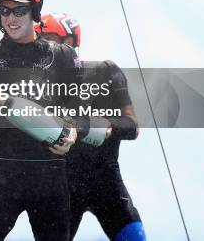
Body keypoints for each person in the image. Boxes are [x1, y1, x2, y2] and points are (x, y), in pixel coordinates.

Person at [0, 0, 81, 241]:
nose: (11, 18)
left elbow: (78, 110)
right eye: (4, 10)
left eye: (20, 10)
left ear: (35, 10)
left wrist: (73, 131)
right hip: (4, 177)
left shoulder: (62, 55)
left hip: (51, 178)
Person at [37, 13, 147, 241]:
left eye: (47, 40)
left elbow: (133, 126)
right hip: (63, 188)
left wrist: (107, 127)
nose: (42, 48)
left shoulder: (105, 72)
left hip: (106, 184)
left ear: (70, 42)